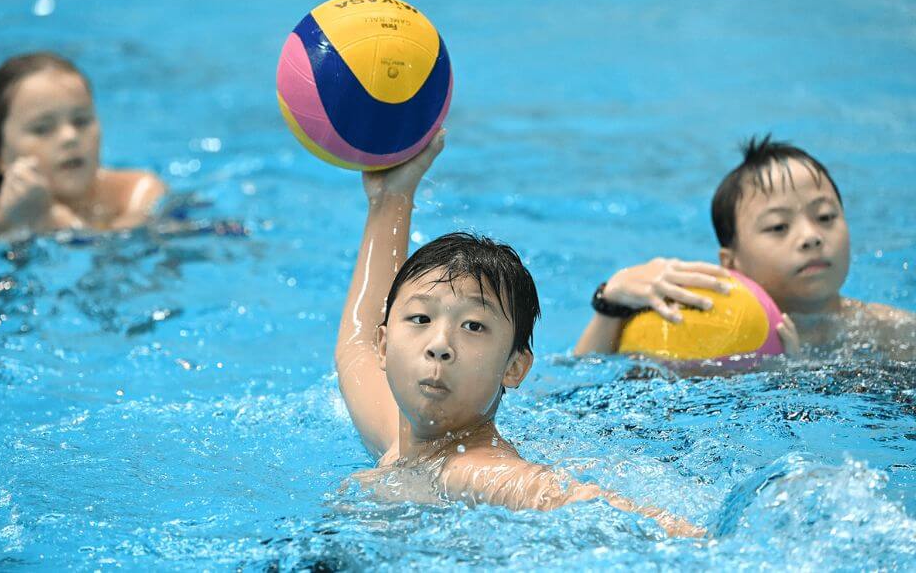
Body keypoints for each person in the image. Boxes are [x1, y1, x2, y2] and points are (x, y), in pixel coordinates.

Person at [336, 130, 703, 537]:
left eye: (473, 326)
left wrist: (695, 539)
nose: (439, 345)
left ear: (514, 367)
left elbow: (573, 501)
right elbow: (355, 344)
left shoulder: (474, 470)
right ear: (385, 345)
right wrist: (391, 199)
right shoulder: (400, 441)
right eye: (420, 319)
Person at [573, 136, 915, 361]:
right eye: (778, 226)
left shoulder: (891, 332)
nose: (811, 236)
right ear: (731, 262)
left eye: (825, 216)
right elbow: (580, 391)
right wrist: (610, 302)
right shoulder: (696, 323)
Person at [0, 52, 166, 238]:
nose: (69, 136)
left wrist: (48, 218)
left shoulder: (136, 193)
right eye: (42, 129)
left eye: (81, 121)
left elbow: (122, 256)